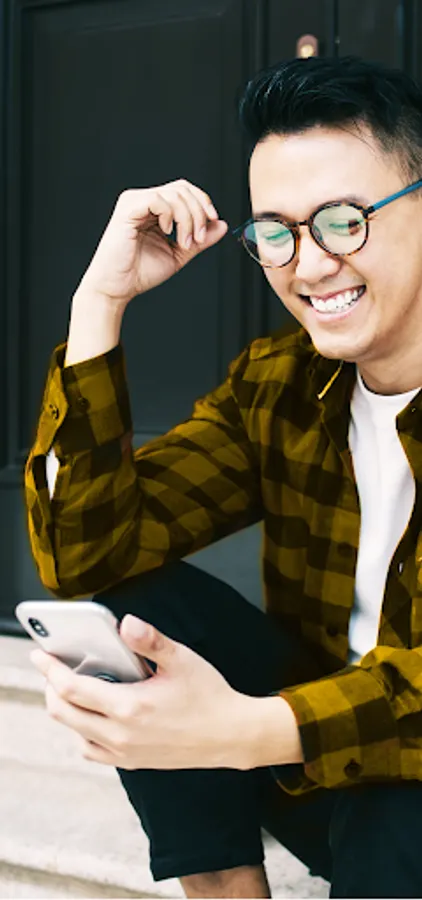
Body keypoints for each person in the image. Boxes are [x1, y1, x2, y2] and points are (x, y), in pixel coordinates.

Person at [24, 54, 422, 898]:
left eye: (343, 221)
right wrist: (99, 305)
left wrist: (238, 730)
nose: (307, 266)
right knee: (137, 614)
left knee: (403, 807)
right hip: (321, 767)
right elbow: (85, 552)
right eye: (276, 232)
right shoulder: (282, 385)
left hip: (397, 787)